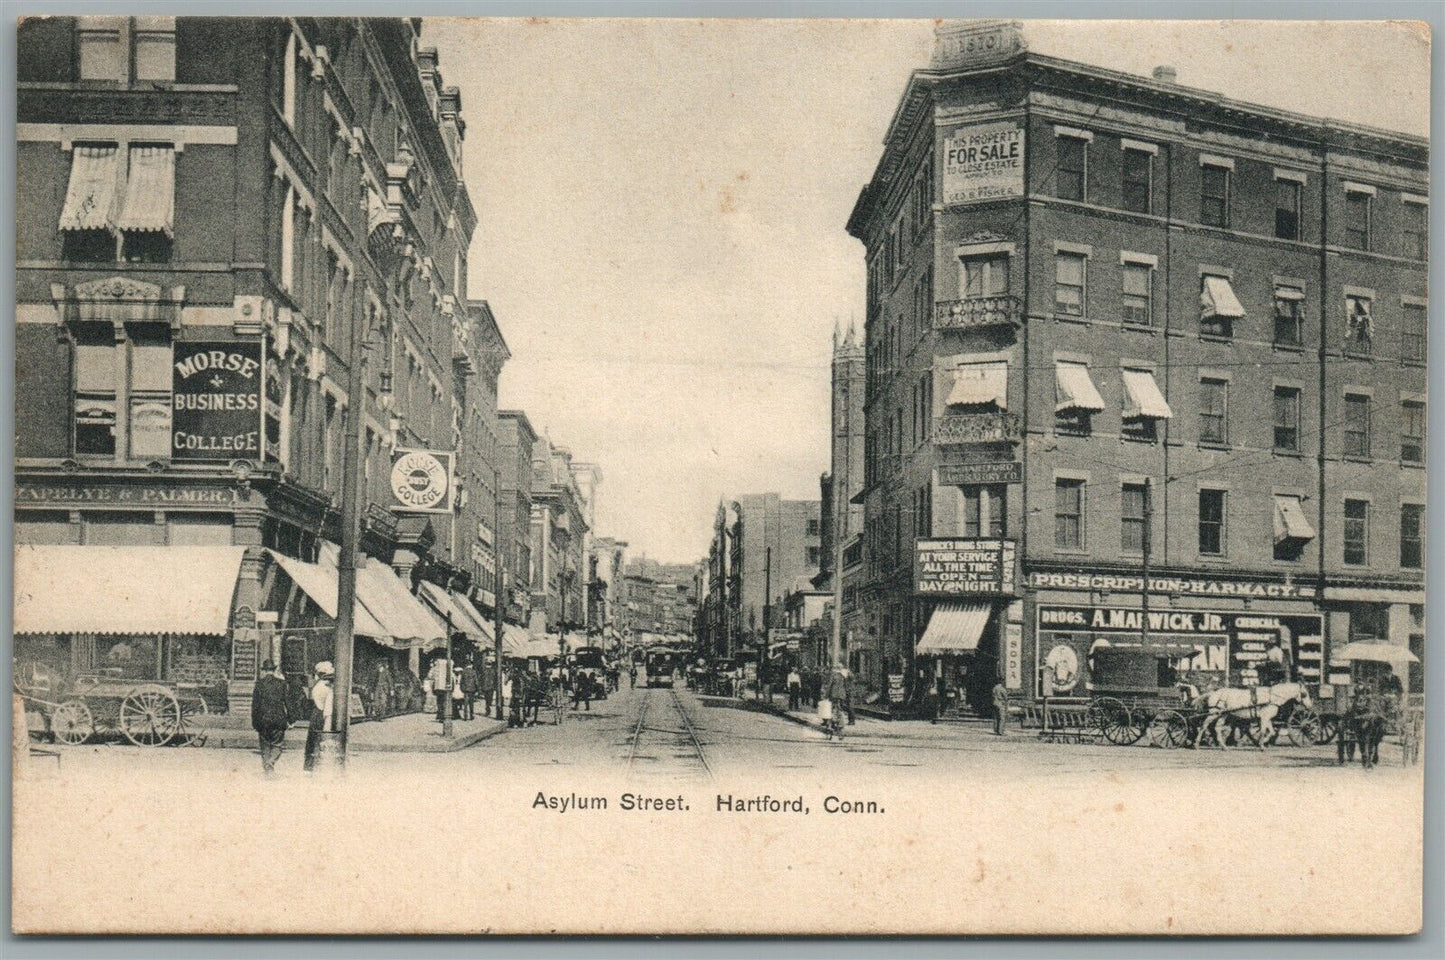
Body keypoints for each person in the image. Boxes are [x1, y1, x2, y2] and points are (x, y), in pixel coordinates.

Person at [250, 659, 292, 776]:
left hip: (263, 719)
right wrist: (291, 719)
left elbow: (255, 705)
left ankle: (267, 768)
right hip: (278, 719)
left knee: (264, 745)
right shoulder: (282, 684)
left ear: (264, 671)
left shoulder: (259, 684)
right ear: (274, 670)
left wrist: (254, 721)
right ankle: (271, 763)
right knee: (277, 744)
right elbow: (288, 703)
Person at [303, 661, 334, 773]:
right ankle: (318, 766)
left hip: (316, 713)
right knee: (321, 740)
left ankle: (308, 766)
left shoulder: (318, 685)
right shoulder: (327, 688)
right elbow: (328, 708)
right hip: (322, 713)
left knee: (312, 740)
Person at [427, 655, 452, 722]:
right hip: (446, 687)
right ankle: (445, 715)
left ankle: (440, 715)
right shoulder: (449, 665)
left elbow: (430, 675)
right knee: (445, 701)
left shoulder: (435, 668)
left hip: (438, 687)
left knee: (439, 702)